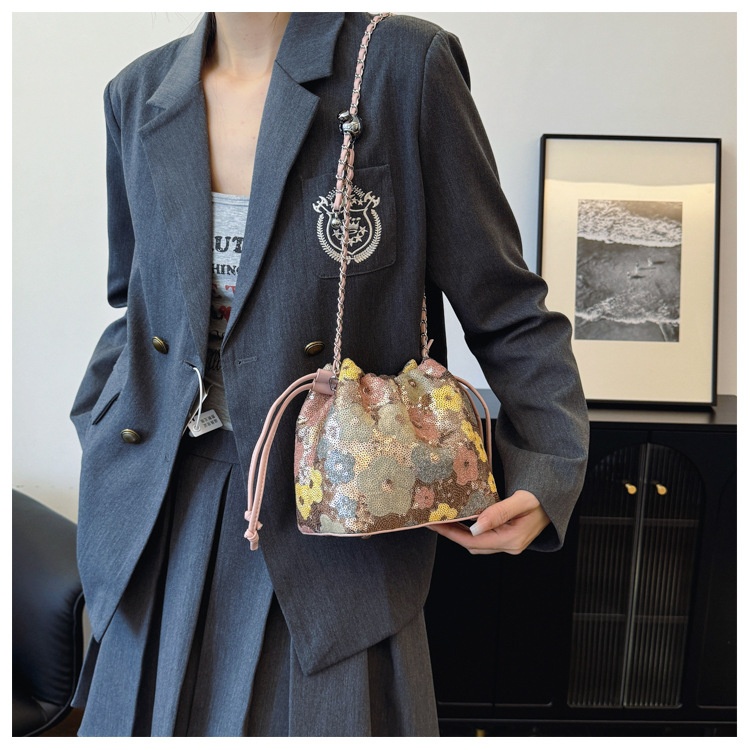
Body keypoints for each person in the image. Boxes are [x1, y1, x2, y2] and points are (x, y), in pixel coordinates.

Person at [70, 11, 589, 737]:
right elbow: (135, 301)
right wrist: (97, 421)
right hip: (158, 512)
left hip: (335, 518)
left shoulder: (403, 67)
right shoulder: (138, 93)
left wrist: (550, 463)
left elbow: (501, 299)